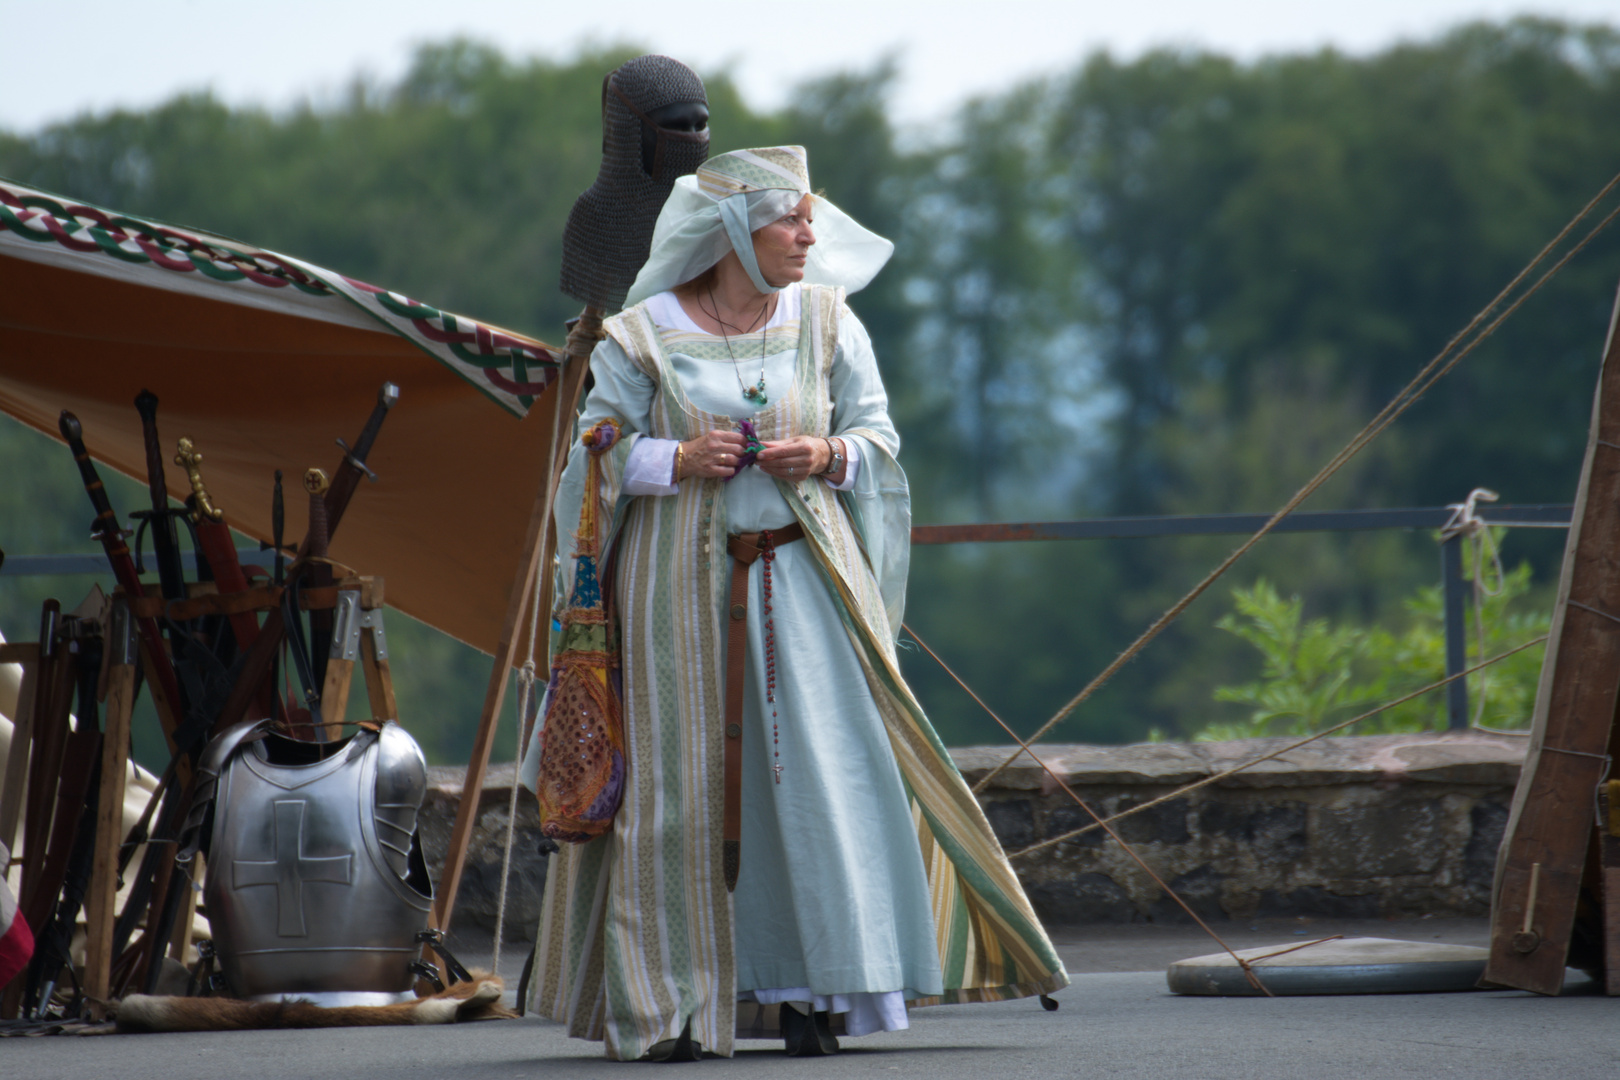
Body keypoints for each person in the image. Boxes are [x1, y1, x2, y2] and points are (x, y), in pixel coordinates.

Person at [523, 146, 1067, 1062]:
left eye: (810, 218)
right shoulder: (640, 335)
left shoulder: (827, 323)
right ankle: (670, 1005)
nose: (810, 236)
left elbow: (877, 435)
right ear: (736, 229)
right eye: (792, 220)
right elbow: (590, 454)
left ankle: (818, 992)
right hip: (671, 592)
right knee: (675, 793)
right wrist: (672, 461)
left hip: (802, 583)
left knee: (812, 784)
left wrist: (824, 454)